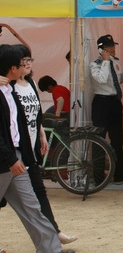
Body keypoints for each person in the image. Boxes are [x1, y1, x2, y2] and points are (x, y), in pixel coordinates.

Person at [0, 44, 68, 253]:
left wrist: (31, 145)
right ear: (13, 68)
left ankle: (51, 249)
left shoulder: (14, 86)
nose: (27, 66)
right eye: (23, 63)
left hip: (17, 154)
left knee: (32, 205)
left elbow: (23, 121)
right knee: (32, 203)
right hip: (8, 158)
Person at [89, 34, 123, 182]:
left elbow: (119, 79)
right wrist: (105, 61)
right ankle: (98, 177)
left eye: (113, 45)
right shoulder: (95, 64)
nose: (113, 49)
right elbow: (101, 78)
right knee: (99, 140)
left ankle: (120, 174)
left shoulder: (116, 62)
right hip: (101, 102)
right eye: (110, 46)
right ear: (102, 49)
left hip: (114, 102)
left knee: (117, 139)